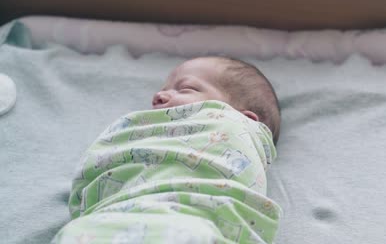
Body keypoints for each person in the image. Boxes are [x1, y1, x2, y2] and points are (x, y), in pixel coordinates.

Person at [52, 56, 282, 244]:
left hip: (190, 222)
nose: (158, 96)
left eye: (186, 88)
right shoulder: (147, 134)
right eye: (163, 89)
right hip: (107, 218)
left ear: (246, 119)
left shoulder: (236, 127)